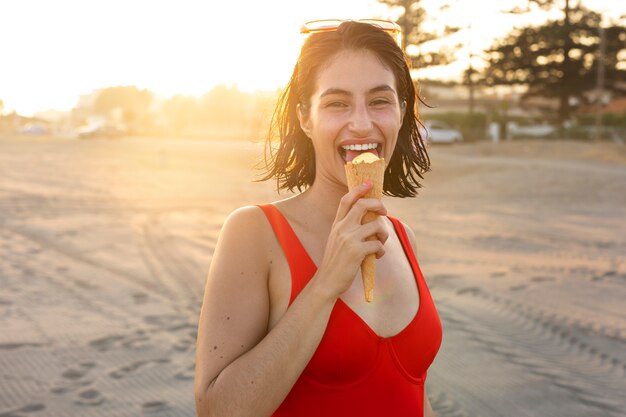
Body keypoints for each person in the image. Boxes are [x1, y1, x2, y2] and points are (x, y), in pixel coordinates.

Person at [195, 19, 442, 417]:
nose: (361, 123)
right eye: (337, 103)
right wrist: (327, 281)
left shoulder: (402, 237)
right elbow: (219, 410)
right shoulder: (255, 233)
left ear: (400, 112)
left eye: (380, 101)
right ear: (304, 118)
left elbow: (412, 394)